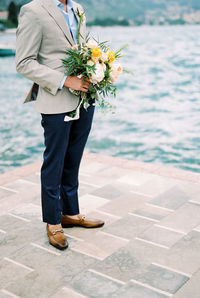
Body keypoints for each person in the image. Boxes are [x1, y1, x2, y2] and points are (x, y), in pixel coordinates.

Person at [15, 0, 104, 250]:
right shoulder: (33, 10)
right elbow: (24, 62)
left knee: (73, 159)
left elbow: (82, 51)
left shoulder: (78, 8)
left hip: (85, 97)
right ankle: (53, 221)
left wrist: (98, 69)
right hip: (55, 99)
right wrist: (66, 80)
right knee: (54, 162)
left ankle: (71, 212)